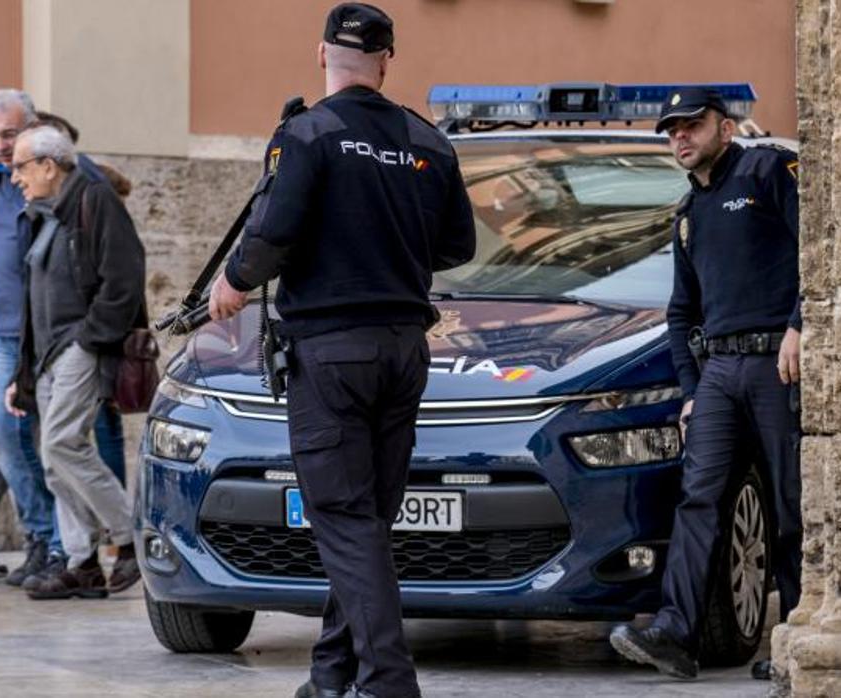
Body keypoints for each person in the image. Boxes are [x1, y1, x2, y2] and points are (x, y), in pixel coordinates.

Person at [208, 5, 476, 696]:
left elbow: (271, 235)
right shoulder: (428, 141)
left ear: (320, 54)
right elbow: (457, 247)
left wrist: (232, 283)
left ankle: (388, 682)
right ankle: (330, 677)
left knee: (344, 521)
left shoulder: (307, 133)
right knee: (365, 524)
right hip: (402, 351)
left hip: (330, 354)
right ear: (388, 59)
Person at [608, 86, 803, 681]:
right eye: (671, 131)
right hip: (718, 373)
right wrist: (692, 390)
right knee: (698, 501)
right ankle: (675, 634)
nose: (680, 138)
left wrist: (800, 324)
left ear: (725, 125)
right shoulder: (689, 215)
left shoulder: (766, 168)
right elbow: (679, 313)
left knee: (788, 503)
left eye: (692, 125)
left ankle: (797, 638)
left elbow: (818, 251)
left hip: (778, 362)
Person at [4, 125, 146, 600]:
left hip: (78, 346)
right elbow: (32, 301)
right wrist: (22, 373)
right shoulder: (42, 214)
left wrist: (90, 340)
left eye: (20, 166)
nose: (13, 177)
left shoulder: (94, 200)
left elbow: (124, 276)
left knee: (64, 443)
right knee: (52, 461)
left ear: (49, 164)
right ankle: (81, 561)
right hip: (46, 355)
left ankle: (130, 539)